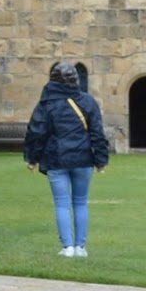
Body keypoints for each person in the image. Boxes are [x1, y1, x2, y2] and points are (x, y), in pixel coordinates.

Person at [23, 61, 108, 257]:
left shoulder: (47, 103)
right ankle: (80, 247)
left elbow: (36, 131)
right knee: (80, 202)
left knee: (61, 203)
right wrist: (101, 159)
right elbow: (97, 132)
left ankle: (67, 246)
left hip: (57, 158)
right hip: (83, 158)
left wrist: (32, 158)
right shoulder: (87, 101)